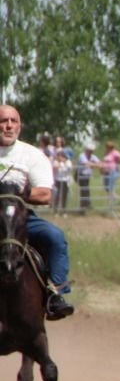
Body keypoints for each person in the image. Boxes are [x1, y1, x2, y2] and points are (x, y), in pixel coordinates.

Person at [0, 105, 75, 319]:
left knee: (55, 237)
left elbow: (45, 194)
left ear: (19, 126)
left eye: (13, 121)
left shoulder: (31, 154)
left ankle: (55, 294)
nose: (8, 126)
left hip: (20, 218)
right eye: (3, 121)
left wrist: (15, 194)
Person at [76, 143, 98, 211]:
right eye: (90, 150)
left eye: (92, 151)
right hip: (81, 175)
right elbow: (86, 163)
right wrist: (94, 164)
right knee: (84, 191)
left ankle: (86, 204)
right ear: (87, 150)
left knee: (86, 190)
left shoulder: (92, 156)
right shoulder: (82, 156)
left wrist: (93, 164)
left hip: (87, 176)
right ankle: (83, 206)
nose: (91, 152)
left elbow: (98, 163)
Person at [100, 142, 120, 207]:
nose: (108, 148)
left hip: (113, 172)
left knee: (110, 187)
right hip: (106, 172)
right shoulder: (106, 153)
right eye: (107, 147)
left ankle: (110, 205)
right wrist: (102, 169)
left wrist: (116, 163)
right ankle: (115, 197)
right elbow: (104, 162)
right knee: (106, 187)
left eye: (109, 147)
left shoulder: (115, 152)